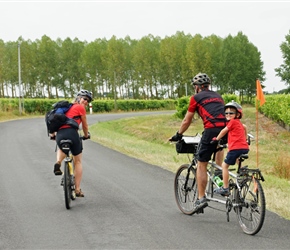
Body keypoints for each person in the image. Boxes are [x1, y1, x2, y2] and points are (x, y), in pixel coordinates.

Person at [169, 72, 227, 214]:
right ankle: (219, 177)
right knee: (218, 148)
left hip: (211, 130)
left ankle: (201, 198)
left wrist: (178, 134)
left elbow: (186, 120)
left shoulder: (195, 98)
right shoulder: (218, 96)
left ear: (197, 87)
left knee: (201, 163)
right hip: (227, 128)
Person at [50, 90, 92, 197]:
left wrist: (53, 135)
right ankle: (77, 190)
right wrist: (86, 135)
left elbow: (56, 122)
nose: (86, 101)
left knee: (61, 147)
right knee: (77, 161)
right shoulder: (80, 108)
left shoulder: (65, 108)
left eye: (88, 100)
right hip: (72, 133)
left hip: (60, 134)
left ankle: (58, 162)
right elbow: (85, 126)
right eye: (84, 98)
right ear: (78, 98)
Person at [212, 101, 249, 196]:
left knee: (224, 166)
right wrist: (245, 139)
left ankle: (225, 188)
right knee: (237, 158)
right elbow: (245, 127)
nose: (228, 114)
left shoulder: (232, 122)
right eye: (226, 113)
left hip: (235, 149)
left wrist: (217, 139)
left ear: (237, 114)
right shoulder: (239, 123)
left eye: (231, 113)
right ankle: (242, 172)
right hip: (244, 148)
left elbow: (224, 131)